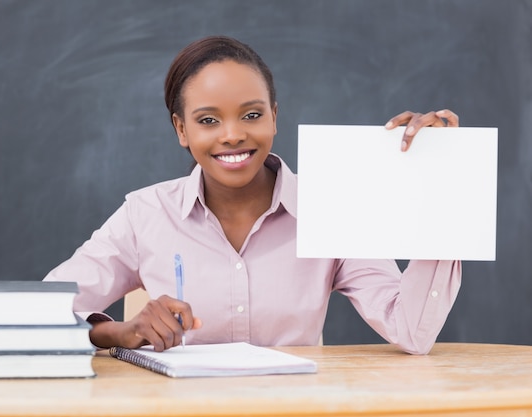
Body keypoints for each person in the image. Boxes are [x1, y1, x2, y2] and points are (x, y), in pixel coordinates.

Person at [44, 35, 461, 355]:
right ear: (181, 130)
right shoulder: (146, 215)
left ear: (274, 117)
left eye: (252, 114)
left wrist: (441, 183)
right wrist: (119, 331)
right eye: (208, 120)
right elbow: (43, 314)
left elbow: (411, 330)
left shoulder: (330, 208)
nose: (233, 134)